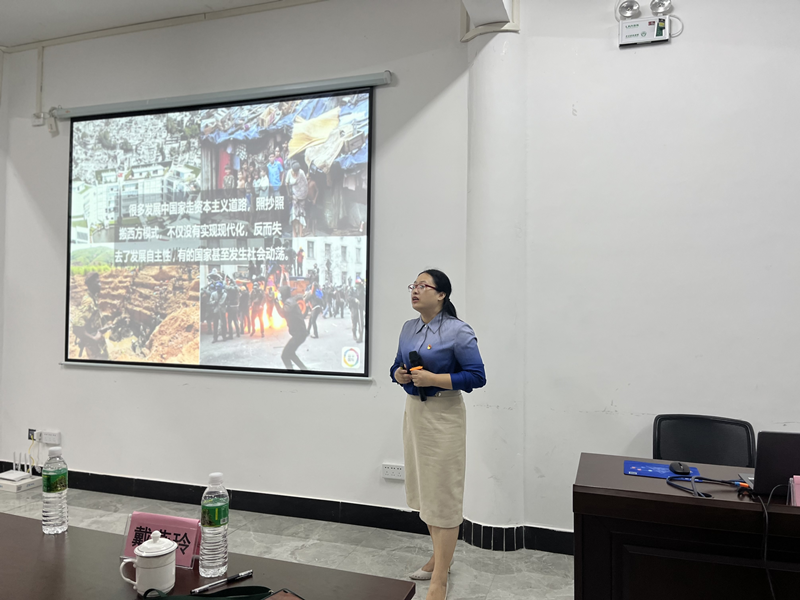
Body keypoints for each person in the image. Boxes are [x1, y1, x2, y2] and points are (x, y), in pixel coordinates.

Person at [390, 269, 486, 600]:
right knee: (426, 492)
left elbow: (476, 377)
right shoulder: (408, 328)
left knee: (443, 495)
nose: (415, 291)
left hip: (445, 416)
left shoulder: (458, 331)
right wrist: (399, 375)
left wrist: (434, 379)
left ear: (442, 294)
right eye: (413, 285)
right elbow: (395, 366)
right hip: (415, 414)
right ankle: (439, 558)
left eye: (423, 286)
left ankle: (440, 580)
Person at [71, 271, 109, 359]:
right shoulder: (88, 302)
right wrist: (93, 339)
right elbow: (76, 327)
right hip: (94, 348)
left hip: (98, 344)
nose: (100, 285)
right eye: (97, 282)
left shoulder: (93, 298)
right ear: (91, 285)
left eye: (100, 282)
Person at [274, 285, 308, 370]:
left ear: (283, 294)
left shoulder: (289, 302)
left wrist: (276, 302)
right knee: (291, 353)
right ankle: (304, 369)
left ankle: (292, 373)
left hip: (299, 334)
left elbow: (283, 313)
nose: (279, 294)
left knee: (284, 356)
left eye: (280, 293)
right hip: (300, 333)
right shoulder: (289, 301)